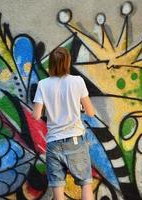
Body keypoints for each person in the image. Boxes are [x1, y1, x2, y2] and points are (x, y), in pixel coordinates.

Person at [32, 47, 95, 200]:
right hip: (75, 141)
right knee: (85, 184)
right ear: (67, 62)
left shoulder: (43, 84)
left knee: (58, 190)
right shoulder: (77, 81)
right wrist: (77, 107)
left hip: (53, 143)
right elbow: (90, 112)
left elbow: (36, 115)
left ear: (51, 64)